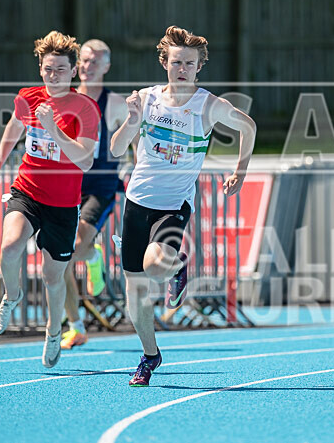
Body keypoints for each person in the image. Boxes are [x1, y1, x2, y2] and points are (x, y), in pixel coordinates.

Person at [110, 26, 257, 386]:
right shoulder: (145, 100)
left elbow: (248, 126)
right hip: (137, 202)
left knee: (154, 265)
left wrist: (241, 170)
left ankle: (178, 266)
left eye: (189, 64)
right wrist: (131, 122)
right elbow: (115, 150)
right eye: (176, 63)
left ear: (199, 67)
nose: (182, 70)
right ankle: (149, 356)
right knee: (136, 292)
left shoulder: (209, 105)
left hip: (174, 204)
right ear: (165, 63)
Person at [0, 31, 99, 368]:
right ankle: (12, 296)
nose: (53, 75)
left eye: (61, 69)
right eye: (48, 69)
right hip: (28, 190)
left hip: (63, 204)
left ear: (73, 71)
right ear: (41, 68)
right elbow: (13, 131)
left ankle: (52, 329)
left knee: (52, 277)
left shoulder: (84, 108)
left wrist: (54, 128)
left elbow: (86, 161)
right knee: (9, 246)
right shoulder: (27, 97)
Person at [60, 39, 128, 350]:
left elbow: (134, 140)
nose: (87, 67)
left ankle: (92, 256)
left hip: (100, 186)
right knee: (58, 255)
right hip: (68, 182)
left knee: (73, 246)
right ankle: (74, 324)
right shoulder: (67, 99)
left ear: (106, 67)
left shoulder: (114, 103)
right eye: (84, 60)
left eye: (95, 62)